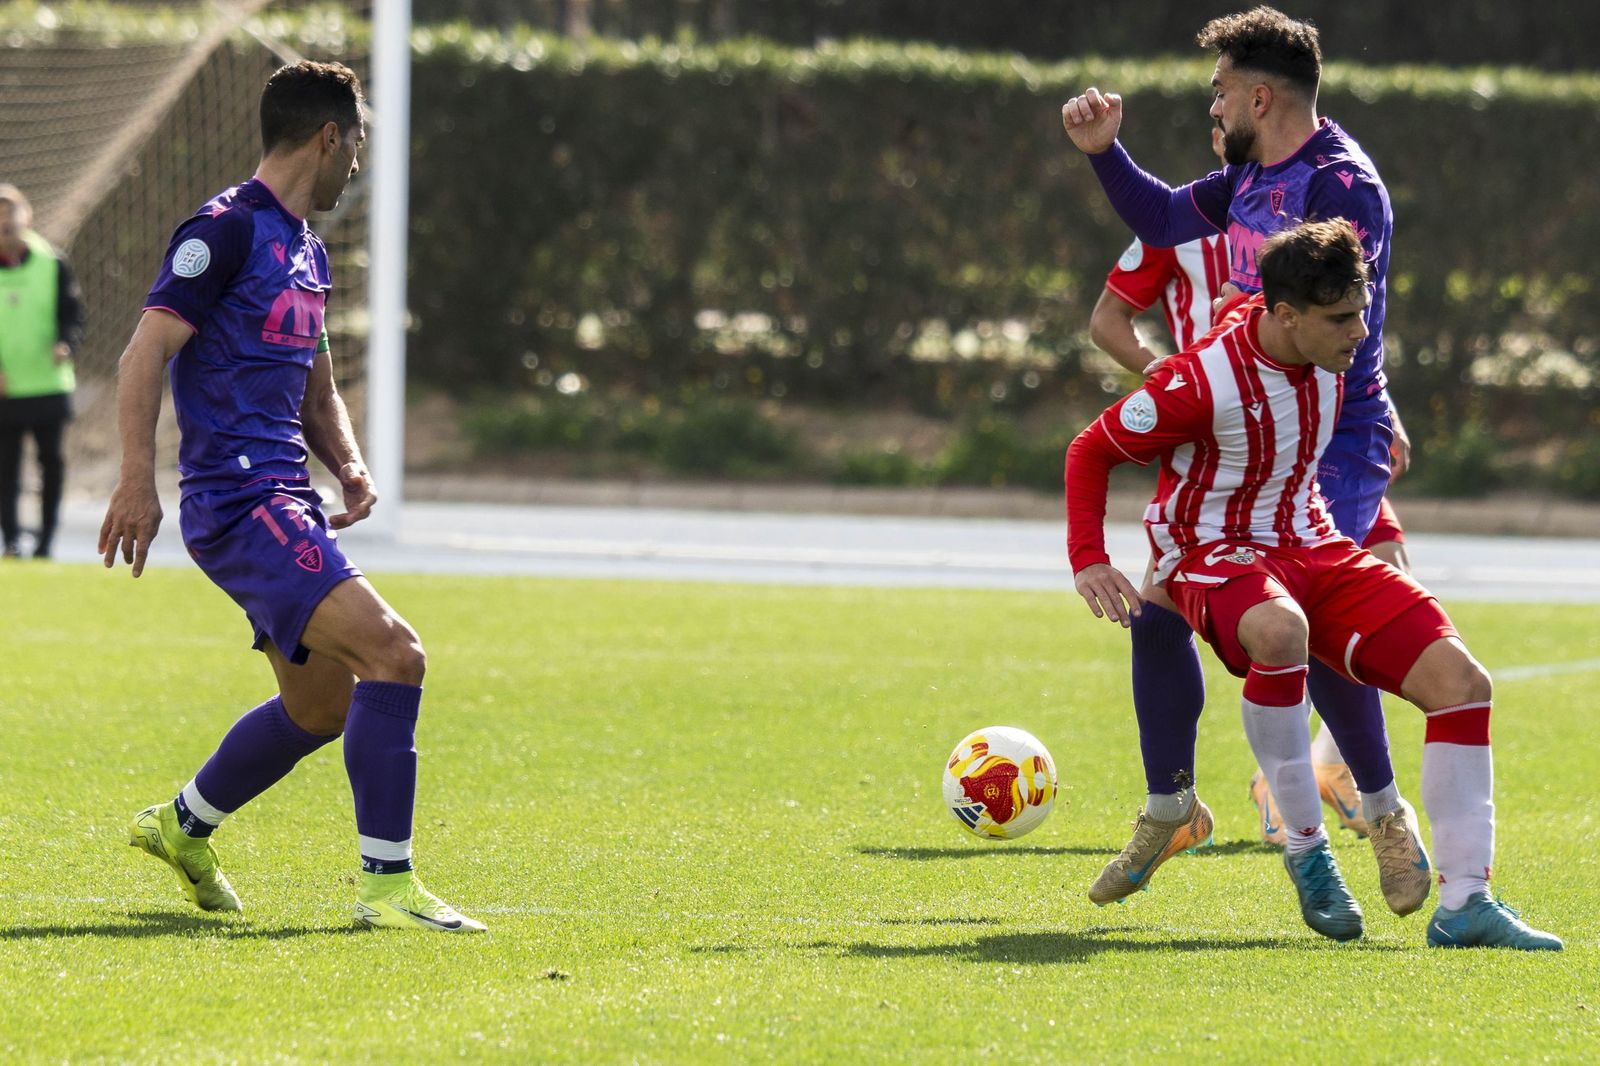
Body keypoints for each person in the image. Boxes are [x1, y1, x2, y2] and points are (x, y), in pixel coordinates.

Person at [1066, 219, 1560, 950]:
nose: (1360, 332)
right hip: (1214, 549)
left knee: (1464, 681)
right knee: (1280, 631)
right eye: (1342, 319)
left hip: (1314, 541)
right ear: (1287, 316)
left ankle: (1467, 905)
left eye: (1361, 311)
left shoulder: (1330, 350)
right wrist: (1089, 558)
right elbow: (1090, 450)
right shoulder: (1195, 383)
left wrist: (1380, 465)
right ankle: (1307, 849)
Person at [100, 60, 484, 933]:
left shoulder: (305, 249)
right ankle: (387, 888)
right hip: (240, 503)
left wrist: (348, 464)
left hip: (287, 499)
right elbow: (143, 353)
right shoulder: (223, 230)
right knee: (397, 654)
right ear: (328, 137)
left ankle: (181, 826)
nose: (359, 163)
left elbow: (316, 390)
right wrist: (135, 480)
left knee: (323, 706)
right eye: (358, 144)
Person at [1062, 7, 1425, 905]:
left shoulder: (1339, 185)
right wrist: (1107, 152)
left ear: (1259, 96)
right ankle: (1172, 804)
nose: (1211, 106)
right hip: (1240, 417)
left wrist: (1378, 417)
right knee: (1162, 598)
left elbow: (1349, 333)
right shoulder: (1250, 175)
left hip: (1326, 438)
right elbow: (1159, 214)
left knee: (1317, 614)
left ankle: (1380, 816)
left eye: (1219, 91)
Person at [0, 184, 84, 560]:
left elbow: (73, 316)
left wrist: (65, 343)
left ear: (27, 217)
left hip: (49, 384)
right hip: (5, 387)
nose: (5, 220)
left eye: (11, 211)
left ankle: (46, 542)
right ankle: (12, 541)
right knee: (6, 469)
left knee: (51, 465)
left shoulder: (53, 261)